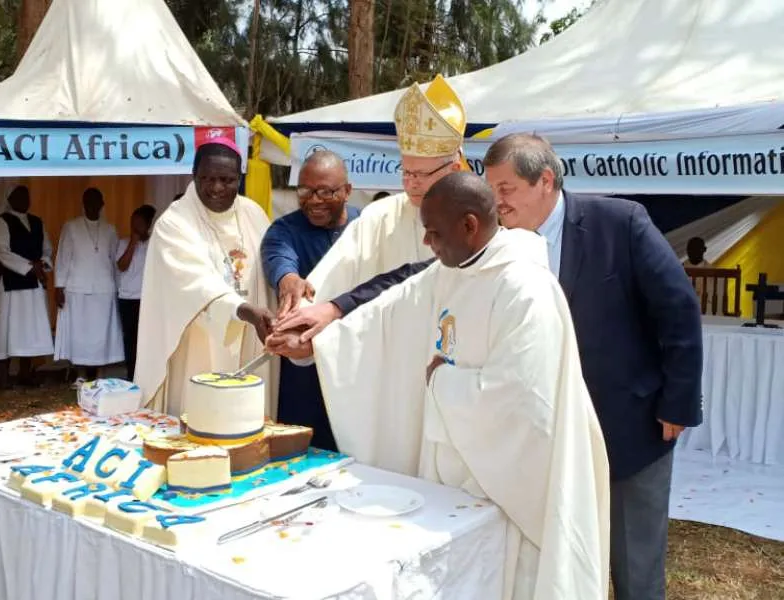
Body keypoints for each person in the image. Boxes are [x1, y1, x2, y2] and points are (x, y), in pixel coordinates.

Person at [277, 134, 703, 600]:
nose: (498, 200)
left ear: (544, 181)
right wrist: (330, 324)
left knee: (634, 562)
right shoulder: (472, 260)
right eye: (491, 187)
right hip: (498, 456)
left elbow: (677, 308)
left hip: (621, 423)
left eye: (506, 189)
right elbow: (403, 288)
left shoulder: (611, 227)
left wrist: (676, 404)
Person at [292, 172, 609, 599]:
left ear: (469, 225)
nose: (427, 243)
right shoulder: (451, 269)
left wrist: (441, 378)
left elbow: (523, 405)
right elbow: (383, 318)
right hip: (450, 478)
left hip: (510, 490)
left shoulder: (525, 289)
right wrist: (317, 340)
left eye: (434, 232)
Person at [135, 138, 277, 418]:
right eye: (207, 178)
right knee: (199, 419)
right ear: (193, 176)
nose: (216, 188)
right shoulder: (174, 222)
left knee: (248, 422)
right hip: (196, 342)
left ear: (239, 179)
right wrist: (243, 309)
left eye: (227, 180)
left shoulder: (253, 214)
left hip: (251, 336)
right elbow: (194, 280)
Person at [299, 74, 469, 306]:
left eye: (420, 174)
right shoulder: (379, 217)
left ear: (454, 168)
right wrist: (300, 312)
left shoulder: (477, 222)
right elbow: (331, 275)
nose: (410, 183)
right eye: (406, 172)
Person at [260, 151, 360, 450]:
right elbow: (278, 257)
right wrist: (288, 278)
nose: (314, 200)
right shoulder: (284, 229)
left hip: (357, 363)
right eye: (304, 191)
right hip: (305, 370)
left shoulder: (365, 227)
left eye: (325, 192)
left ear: (347, 191)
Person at [54, 188, 124, 383]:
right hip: (77, 287)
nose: (92, 205)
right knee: (80, 333)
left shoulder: (110, 229)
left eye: (96, 201)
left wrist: (119, 288)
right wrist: (59, 286)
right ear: (83, 204)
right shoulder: (71, 227)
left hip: (104, 288)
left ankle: (100, 374)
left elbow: (114, 261)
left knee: (102, 333)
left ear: (102, 204)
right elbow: (63, 257)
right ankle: (81, 374)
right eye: (88, 202)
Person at [0, 185, 54, 389]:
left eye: (27, 196)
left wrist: (42, 264)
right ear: (10, 199)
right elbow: (3, 252)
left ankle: (25, 374)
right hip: (11, 284)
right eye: (19, 196)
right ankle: (4, 377)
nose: (24, 200)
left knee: (30, 329)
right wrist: (30, 267)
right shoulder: (1, 221)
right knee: (7, 329)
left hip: (34, 285)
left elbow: (47, 249)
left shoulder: (37, 221)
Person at [116, 204, 157, 381]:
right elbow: (122, 266)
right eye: (133, 222)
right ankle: (131, 374)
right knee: (130, 339)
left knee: (147, 339)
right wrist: (133, 242)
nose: (135, 226)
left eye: (139, 223)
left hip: (147, 298)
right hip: (127, 298)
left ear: (147, 224)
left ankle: (147, 374)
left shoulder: (155, 243)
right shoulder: (123, 243)